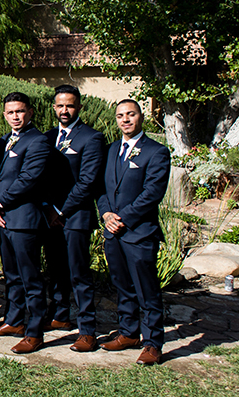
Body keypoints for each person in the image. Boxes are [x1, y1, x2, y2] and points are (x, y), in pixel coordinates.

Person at [98, 99, 170, 366]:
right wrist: (106, 214)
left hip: (139, 233)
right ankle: (128, 333)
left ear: (141, 116)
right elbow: (101, 189)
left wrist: (123, 218)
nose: (125, 119)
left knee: (146, 290)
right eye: (120, 115)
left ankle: (153, 343)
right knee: (122, 286)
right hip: (112, 232)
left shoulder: (156, 151)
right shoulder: (110, 150)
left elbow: (152, 193)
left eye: (130, 114)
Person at [0, 92, 52, 354]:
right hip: (4, 220)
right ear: (4, 114)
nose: (15, 116)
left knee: (30, 278)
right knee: (11, 275)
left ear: (30, 112)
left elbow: (27, 179)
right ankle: (14, 320)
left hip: (24, 220)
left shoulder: (38, 142)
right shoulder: (5, 140)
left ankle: (35, 332)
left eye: (20, 111)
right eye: (10, 112)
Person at [43, 85, 107, 352]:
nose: (64, 110)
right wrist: (47, 207)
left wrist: (62, 211)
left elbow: (88, 181)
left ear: (79, 107)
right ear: (54, 107)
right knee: (55, 269)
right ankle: (59, 316)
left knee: (79, 273)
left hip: (75, 216)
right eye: (60, 105)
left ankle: (88, 330)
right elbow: (40, 177)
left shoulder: (92, 138)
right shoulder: (46, 138)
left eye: (69, 105)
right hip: (49, 215)